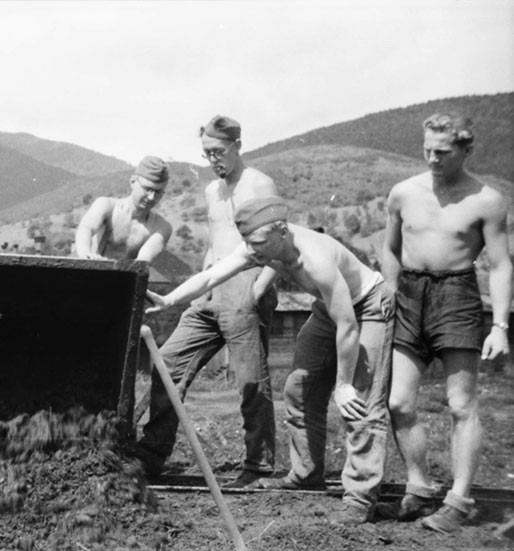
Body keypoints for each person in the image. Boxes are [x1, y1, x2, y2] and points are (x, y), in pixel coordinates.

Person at [147, 196, 394, 524]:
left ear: (282, 232)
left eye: (259, 243)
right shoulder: (260, 246)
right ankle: (306, 474)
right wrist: (169, 299)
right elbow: (210, 276)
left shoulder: (316, 260)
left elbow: (348, 326)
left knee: (360, 401)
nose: (252, 251)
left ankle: (360, 498)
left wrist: (344, 384)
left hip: (367, 305)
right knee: (298, 388)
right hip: (329, 307)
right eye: (248, 242)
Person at [377, 113, 511, 533]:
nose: (433, 159)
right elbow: (389, 248)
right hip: (409, 295)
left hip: (457, 295)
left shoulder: (487, 199)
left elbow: (501, 264)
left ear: (466, 150)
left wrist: (500, 326)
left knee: (460, 404)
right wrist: (390, 290)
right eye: (427, 150)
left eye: (443, 152)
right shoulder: (404, 192)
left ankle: (460, 500)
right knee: (398, 402)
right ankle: (419, 488)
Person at [135, 115, 279, 488]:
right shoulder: (213, 190)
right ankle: (150, 456)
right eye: (206, 153)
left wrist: (258, 289)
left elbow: (279, 244)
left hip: (247, 285)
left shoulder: (259, 184)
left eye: (218, 151)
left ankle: (258, 467)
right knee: (168, 363)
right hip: (211, 288)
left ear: (237, 146)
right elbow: (216, 242)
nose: (213, 160)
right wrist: (199, 287)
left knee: (250, 381)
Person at [74, 155, 172, 262]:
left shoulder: (161, 227)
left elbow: (144, 260)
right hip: (92, 269)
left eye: (158, 192)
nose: (151, 197)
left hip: (129, 272)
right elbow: (85, 229)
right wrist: (85, 254)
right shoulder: (106, 206)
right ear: (133, 182)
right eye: (147, 189)